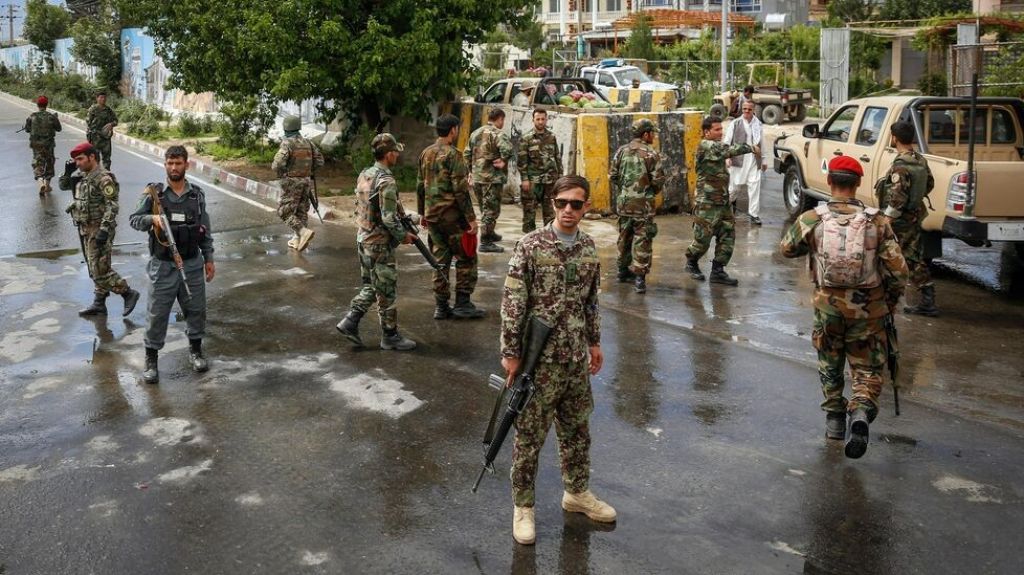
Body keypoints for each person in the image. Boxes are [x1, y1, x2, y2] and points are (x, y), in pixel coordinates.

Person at [501, 174, 614, 546]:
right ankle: (524, 507)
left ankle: (577, 493)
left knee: (577, 431)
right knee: (529, 437)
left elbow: (591, 301)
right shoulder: (531, 246)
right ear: (552, 203)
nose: (568, 210)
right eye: (562, 202)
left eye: (576, 204)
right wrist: (511, 354)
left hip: (574, 361)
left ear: (586, 206)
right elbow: (513, 304)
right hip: (539, 363)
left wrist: (595, 342)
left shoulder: (587, 247)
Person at [780, 155, 908, 459]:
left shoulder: (813, 217)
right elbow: (899, 270)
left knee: (830, 363)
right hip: (868, 310)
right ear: (858, 184)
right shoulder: (877, 221)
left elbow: (786, 249)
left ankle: (835, 421)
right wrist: (887, 302)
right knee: (866, 369)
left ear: (829, 182)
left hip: (828, 308)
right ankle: (861, 412)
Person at [129, 145, 215, 384]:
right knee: (157, 314)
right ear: (165, 164)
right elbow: (134, 220)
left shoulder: (197, 195)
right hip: (163, 265)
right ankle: (151, 360)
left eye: (178, 163)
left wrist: (209, 258)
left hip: (191, 263)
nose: (173, 168)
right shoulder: (154, 194)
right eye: (169, 163)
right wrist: (152, 219)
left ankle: (196, 351)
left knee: (196, 310)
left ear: (187, 165)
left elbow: (204, 229)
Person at [336, 133, 418, 351]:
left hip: (364, 238)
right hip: (379, 243)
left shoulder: (366, 174)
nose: (398, 155)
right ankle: (390, 336)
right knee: (387, 289)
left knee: (372, 286)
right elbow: (389, 218)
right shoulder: (387, 181)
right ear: (389, 154)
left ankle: (350, 321)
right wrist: (404, 236)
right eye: (396, 152)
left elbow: (372, 208)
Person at [416, 113, 486, 320]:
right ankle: (463, 303)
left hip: (433, 217)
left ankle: (441, 306)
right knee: (466, 258)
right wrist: (472, 219)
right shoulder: (454, 155)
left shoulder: (425, 153)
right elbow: (461, 191)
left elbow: (420, 186)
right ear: (453, 130)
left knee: (440, 261)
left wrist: (422, 213)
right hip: (453, 218)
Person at [59, 142, 141, 318]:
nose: (78, 163)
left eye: (80, 159)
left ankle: (128, 293)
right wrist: (67, 173)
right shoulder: (83, 175)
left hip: (99, 228)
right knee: (94, 267)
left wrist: (104, 229)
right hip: (85, 227)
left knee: (99, 271)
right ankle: (99, 303)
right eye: (76, 160)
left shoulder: (103, 178)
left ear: (92, 157)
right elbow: (63, 186)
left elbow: (113, 205)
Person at [877, 121, 938, 316]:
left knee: (896, 255)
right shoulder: (919, 159)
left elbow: (897, 195)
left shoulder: (901, 165)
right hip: (913, 215)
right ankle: (927, 299)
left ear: (894, 138)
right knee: (913, 256)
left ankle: (885, 296)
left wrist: (888, 218)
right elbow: (929, 183)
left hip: (901, 220)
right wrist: (915, 198)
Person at [684, 117, 753, 286]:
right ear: (707, 132)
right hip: (706, 203)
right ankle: (691, 262)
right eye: (716, 130)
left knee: (728, 236)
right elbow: (726, 150)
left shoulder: (715, 148)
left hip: (722, 202)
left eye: (721, 129)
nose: (721, 132)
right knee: (703, 238)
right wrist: (750, 147)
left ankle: (718, 270)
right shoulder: (705, 145)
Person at [609, 118, 664, 294]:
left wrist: (626, 190)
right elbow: (658, 181)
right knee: (643, 239)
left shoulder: (621, 151)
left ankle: (622, 271)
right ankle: (639, 278)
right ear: (646, 134)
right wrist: (648, 192)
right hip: (643, 205)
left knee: (624, 237)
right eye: (652, 133)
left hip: (624, 203)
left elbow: (613, 176)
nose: (654, 137)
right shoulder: (651, 154)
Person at [272, 114, 324, 251]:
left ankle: (302, 232)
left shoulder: (287, 143)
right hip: (306, 181)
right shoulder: (309, 143)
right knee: (301, 211)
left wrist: (283, 174)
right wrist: (307, 171)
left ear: (286, 128)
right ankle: (298, 240)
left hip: (291, 182)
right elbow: (320, 161)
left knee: (284, 211)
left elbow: (277, 165)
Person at [464, 108, 513, 253]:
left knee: (484, 208)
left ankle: (490, 233)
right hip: (492, 179)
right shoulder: (498, 133)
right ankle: (485, 242)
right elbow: (508, 150)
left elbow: (466, 153)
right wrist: (503, 160)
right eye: (502, 120)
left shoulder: (475, 133)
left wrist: (469, 172)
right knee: (490, 210)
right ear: (500, 119)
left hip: (478, 178)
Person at [516, 108, 562, 233]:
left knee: (550, 212)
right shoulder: (526, 138)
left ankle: (550, 238)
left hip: (550, 180)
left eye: (543, 119)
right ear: (533, 120)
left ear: (546, 119)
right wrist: (524, 179)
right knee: (529, 211)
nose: (541, 122)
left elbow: (557, 157)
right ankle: (528, 240)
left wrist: (560, 178)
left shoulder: (551, 137)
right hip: (533, 181)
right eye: (538, 119)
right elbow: (522, 161)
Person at [724, 101, 766, 225]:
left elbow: (762, 143)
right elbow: (727, 142)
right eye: (744, 109)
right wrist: (727, 157)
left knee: (754, 187)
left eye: (749, 109)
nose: (746, 111)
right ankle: (724, 207)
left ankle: (754, 215)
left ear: (753, 110)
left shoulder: (758, 124)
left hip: (753, 160)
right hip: (738, 160)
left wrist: (763, 160)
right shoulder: (735, 123)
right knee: (734, 189)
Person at [26, 95, 61, 195]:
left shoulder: (32, 116)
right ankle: (47, 184)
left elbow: (27, 129)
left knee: (38, 163)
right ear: (47, 105)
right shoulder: (51, 117)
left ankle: (40, 181)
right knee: (49, 163)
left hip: (36, 145)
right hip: (48, 145)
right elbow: (59, 128)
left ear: (37, 105)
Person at [86, 90, 118, 170]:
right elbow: (88, 122)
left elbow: (116, 121)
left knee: (107, 159)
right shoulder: (93, 109)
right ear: (97, 98)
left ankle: (106, 176)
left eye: (104, 97)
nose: (103, 99)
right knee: (94, 158)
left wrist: (111, 124)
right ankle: (95, 176)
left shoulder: (108, 110)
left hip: (105, 139)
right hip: (95, 138)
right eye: (101, 97)